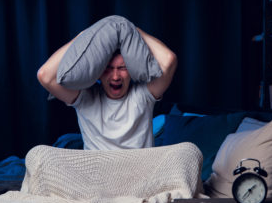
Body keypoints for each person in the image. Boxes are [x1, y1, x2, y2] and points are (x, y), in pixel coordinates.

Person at [37, 26, 177, 150]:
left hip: (138, 174)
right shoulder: (84, 97)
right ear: (97, 73)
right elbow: (45, 76)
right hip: (99, 175)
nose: (115, 76)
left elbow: (169, 60)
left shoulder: (142, 94)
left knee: (187, 150)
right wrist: (83, 36)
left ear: (132, 71)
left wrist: (133, 30)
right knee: (38, 155)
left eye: (122, 68)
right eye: (108, 69)